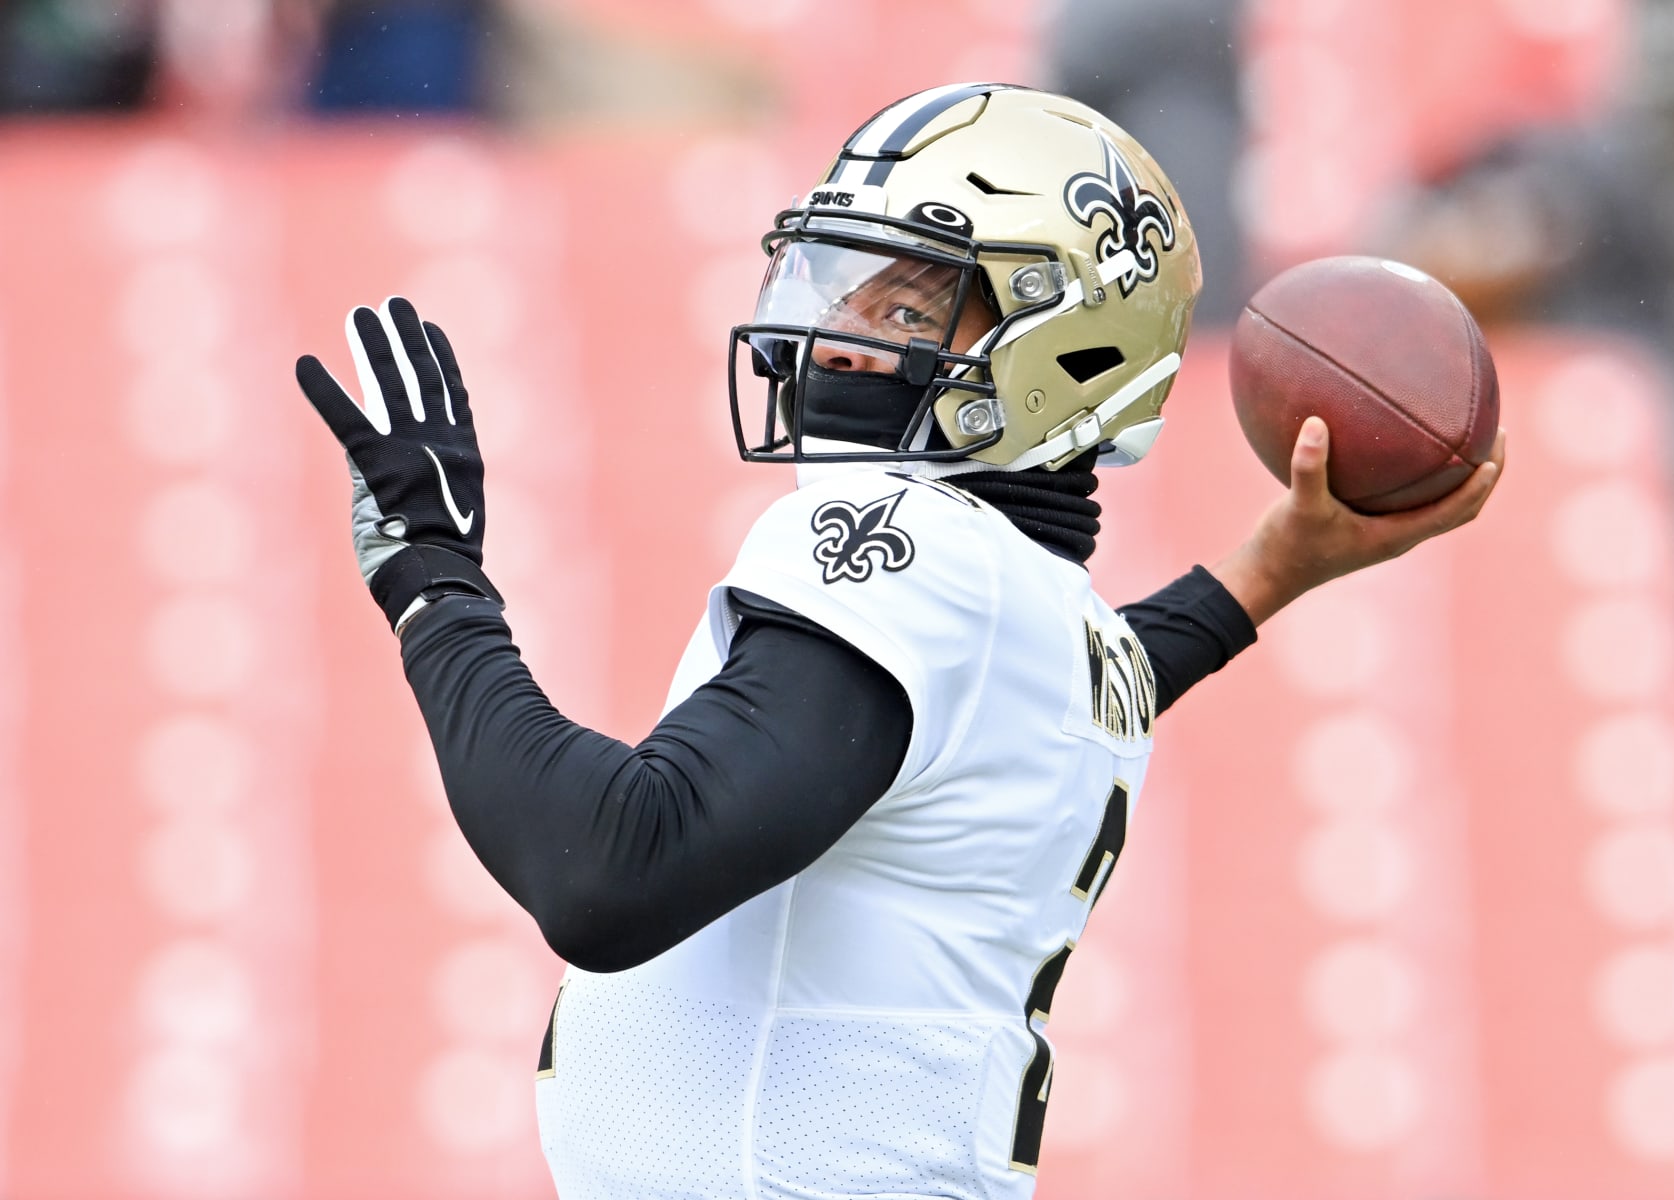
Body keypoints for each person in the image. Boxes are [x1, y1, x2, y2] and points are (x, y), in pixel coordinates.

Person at [295, 83, 1503, 1200]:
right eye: (841, 284)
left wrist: (433, 580)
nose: (838, 334)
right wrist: (1271, 571)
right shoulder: (1044, 615)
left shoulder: (921, 548)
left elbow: (611, 872)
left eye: (909, 303)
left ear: (1068, 343)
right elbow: (1096, 676)